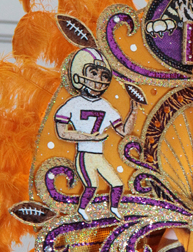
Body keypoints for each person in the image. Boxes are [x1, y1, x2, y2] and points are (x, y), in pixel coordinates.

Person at [54, 47, 138, 220]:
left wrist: (134, 109)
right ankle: (82, 209)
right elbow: (61, 132)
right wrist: (89, 137)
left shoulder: (105, 105)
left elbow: (124, 131)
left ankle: (114, 209)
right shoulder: (73, 103)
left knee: (117, 184)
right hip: (84, 154)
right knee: (91, 186)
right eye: (93, 73)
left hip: (98, 155)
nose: (98, 80)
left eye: (103, 76)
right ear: (80, 74)